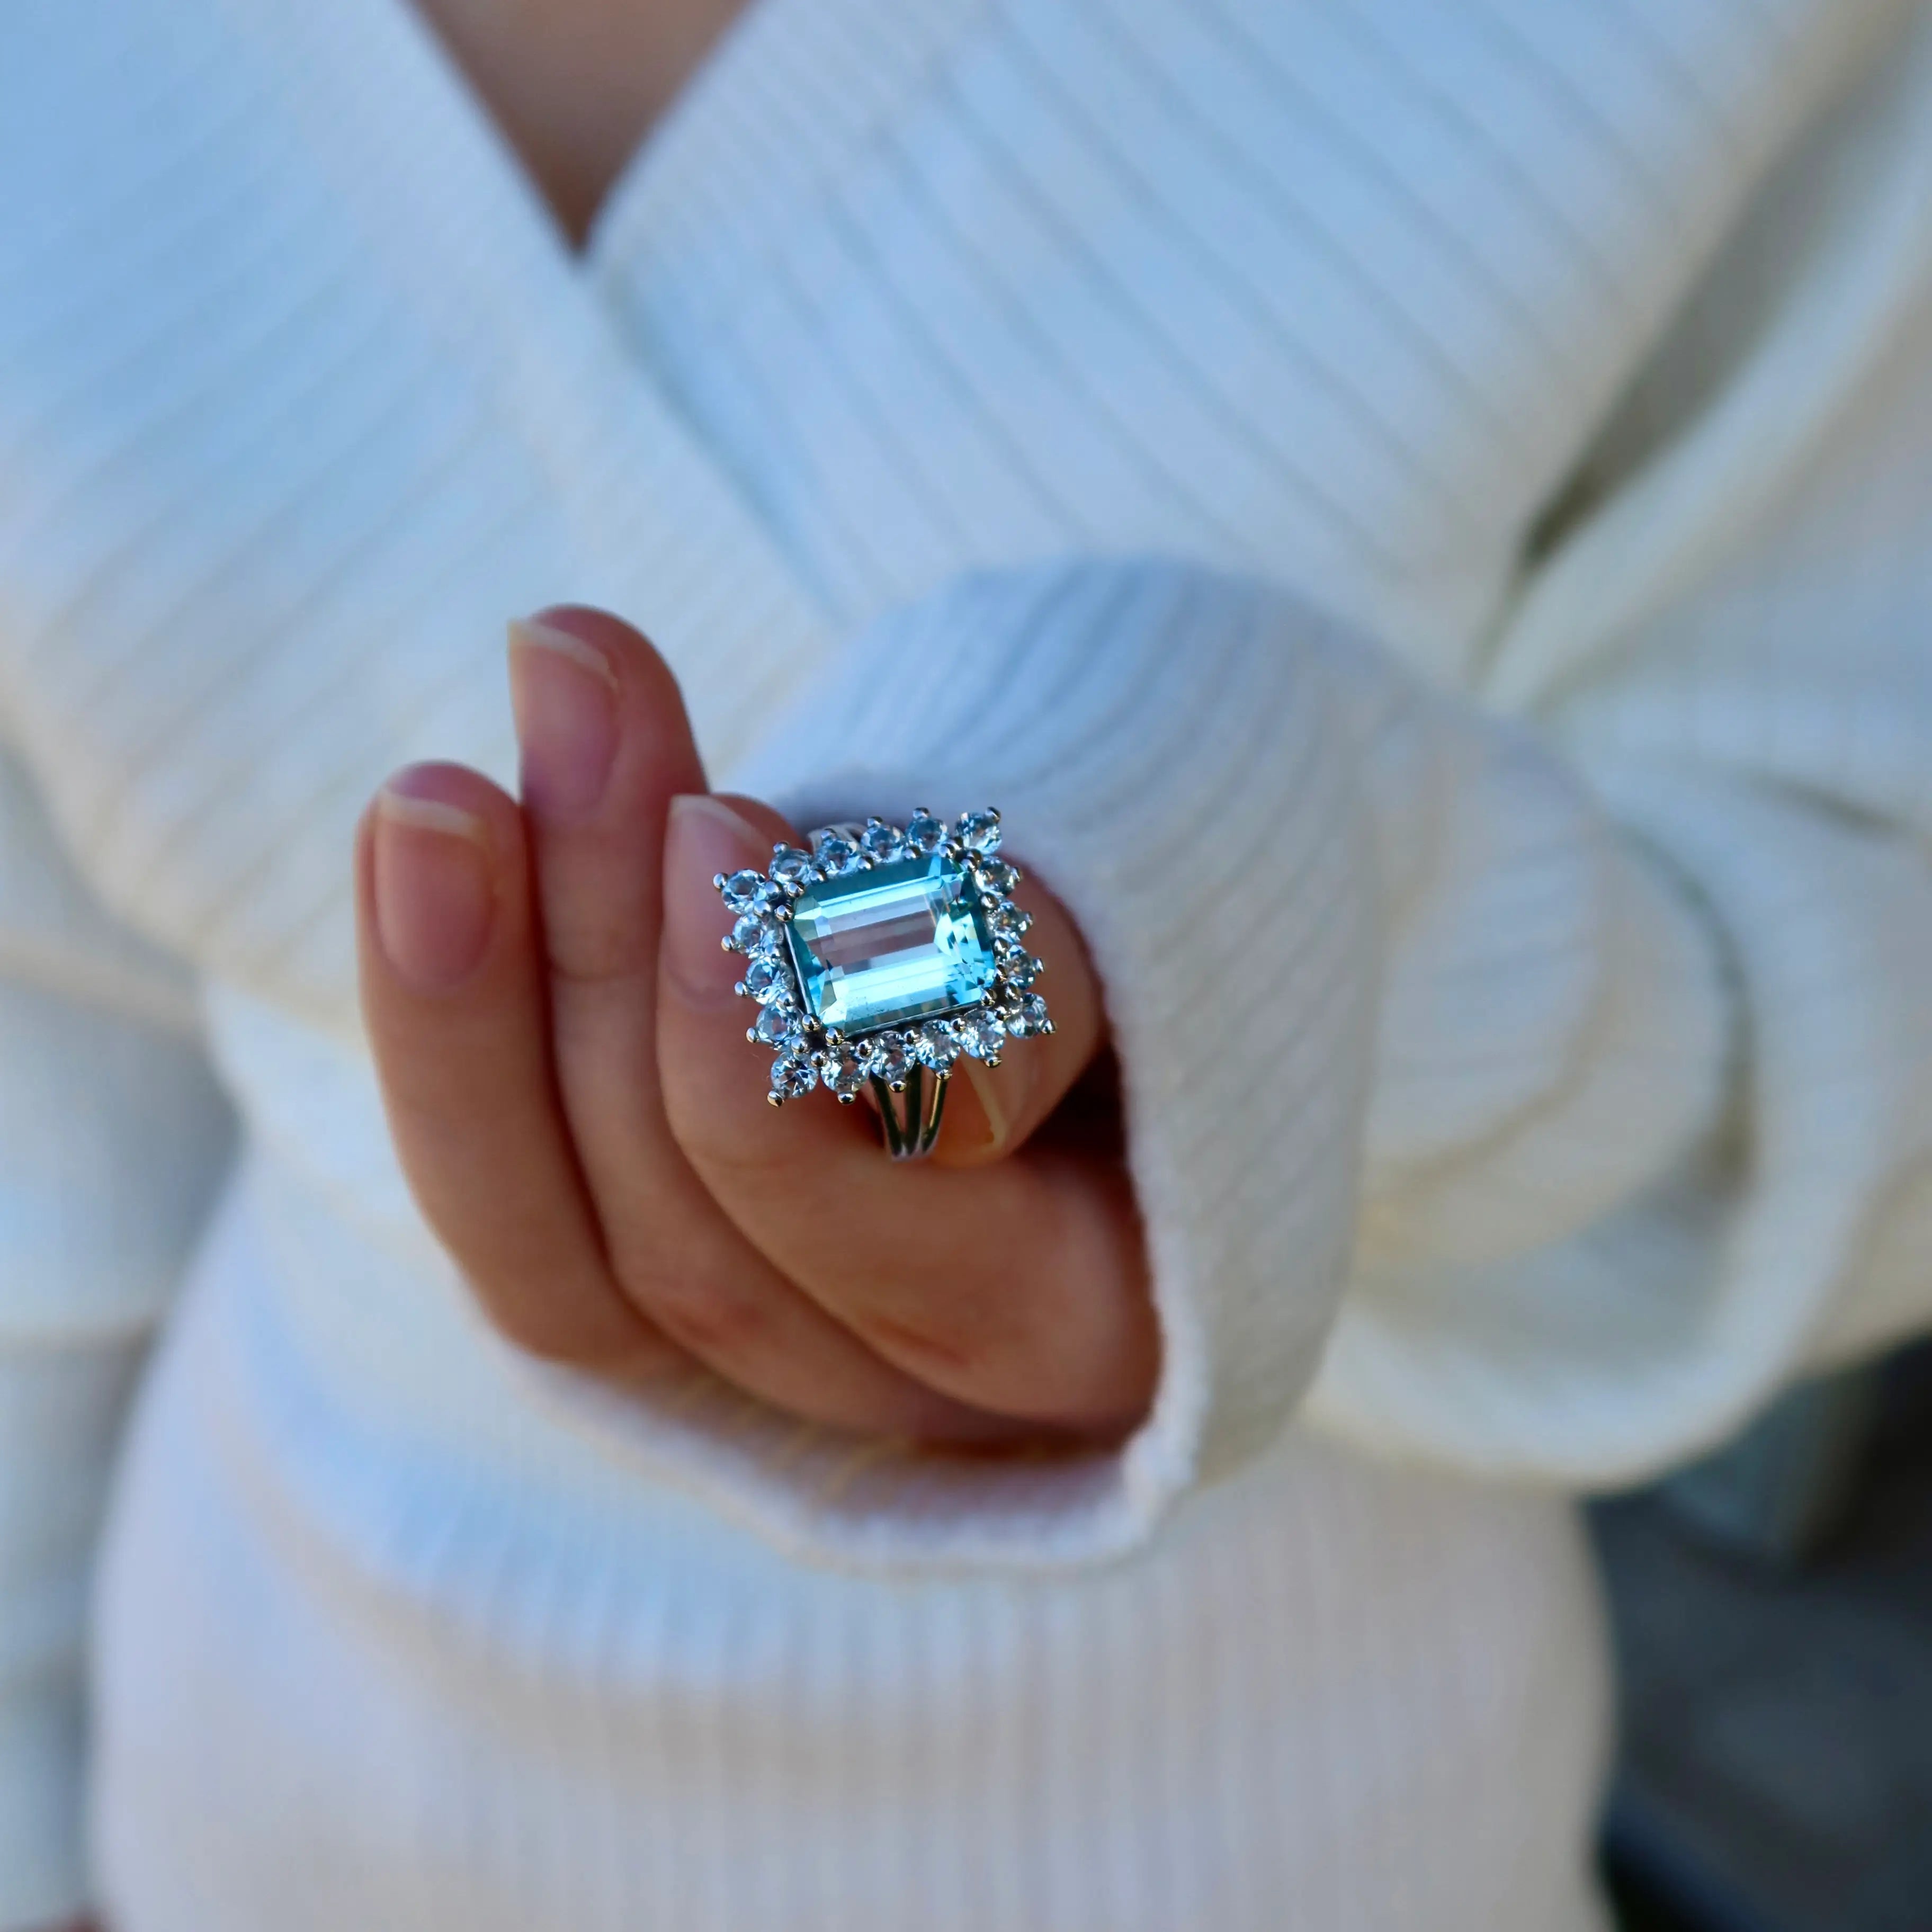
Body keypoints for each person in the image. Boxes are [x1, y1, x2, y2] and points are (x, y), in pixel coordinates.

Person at [5, 0, 1932, 1926]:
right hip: (259, 1759)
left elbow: (1855, 977)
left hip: (1258, 1799)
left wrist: (1283, 909)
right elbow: (49, 1094)